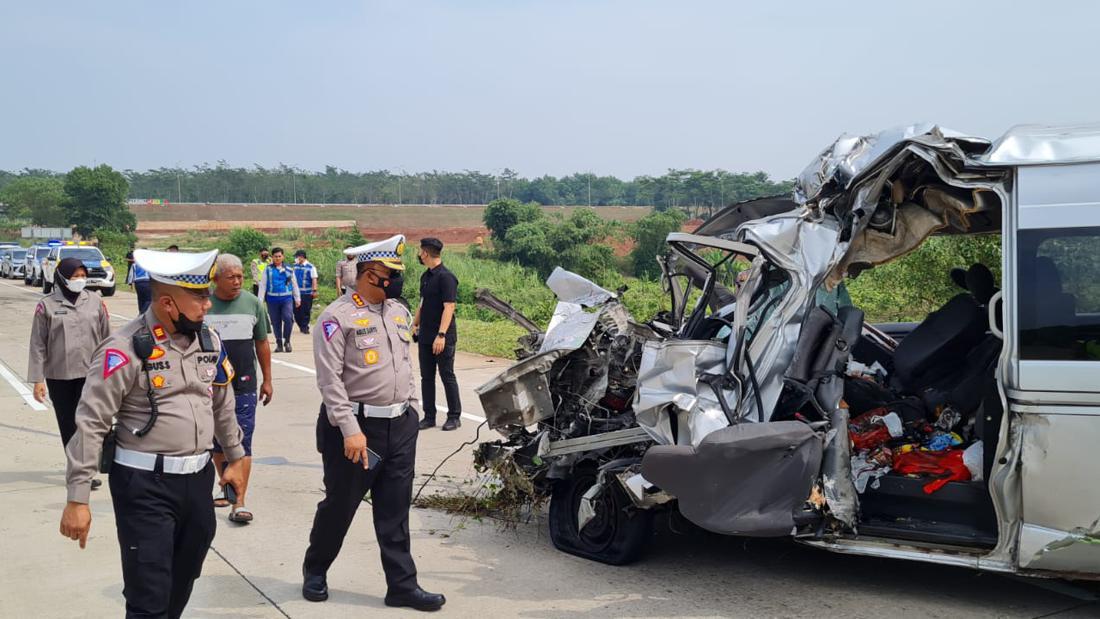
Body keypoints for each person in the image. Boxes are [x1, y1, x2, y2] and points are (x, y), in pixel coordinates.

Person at [59, 248, 246, 618]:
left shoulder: (208, 342)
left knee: (184, 577)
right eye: (199, 297)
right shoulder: (125, 349)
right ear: (166, 303)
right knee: (149, 591)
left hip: (197, 482)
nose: (207, 305)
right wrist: (77, 498)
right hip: (145, 485)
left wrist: (236, 457)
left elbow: (222, 402)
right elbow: (91, 421)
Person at [302, 234, 445, 611]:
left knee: (395, 511)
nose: (396, 280)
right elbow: (329, 381)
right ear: (367, 275)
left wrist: (412, 410)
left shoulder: (397, 311)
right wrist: (350, 430)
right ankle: (315, 570)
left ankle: (402, 586)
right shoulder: (337, 318)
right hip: (355, 429)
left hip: (399, 426)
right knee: (341, 506)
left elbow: (404, 366)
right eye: (389, 274)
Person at [28, 257, 112, 489]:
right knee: (69, 424)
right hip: (60, 375)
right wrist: (38, 379)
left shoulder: (94, 301)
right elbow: (38, 344)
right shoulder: (47, 305)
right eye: (75, 276)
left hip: (92, 374)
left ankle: (87, 466)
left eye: (83, 276)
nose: (79, 280)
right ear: (63, 277)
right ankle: (78, 470)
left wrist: (112, 370)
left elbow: (108, 338)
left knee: (90, 423)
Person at [205, 253, 273, 524]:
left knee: (242, 442)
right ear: (216, 278)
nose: (237, 281)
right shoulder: (204, 304)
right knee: (217, 443)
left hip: (243, 385)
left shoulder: (253, 303)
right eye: (231, 277)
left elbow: (262, 344)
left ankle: (239, 502)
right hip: (208, 386)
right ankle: (226, 487)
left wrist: (267, 379)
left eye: (240, 276)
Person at [412, 237, 462, 431]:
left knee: (447, 375)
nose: (418, 254)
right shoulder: (426, 277)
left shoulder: (446, 277)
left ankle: (454, 416)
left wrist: (441, 335)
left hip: (442, 337)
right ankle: (429, 416)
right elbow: (422, 304)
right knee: (426, 377)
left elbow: (449, 307)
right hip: (425, 335)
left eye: (420, 251)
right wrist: (415, 324)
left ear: (425, 252)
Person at [257, 247, 300, 353]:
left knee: (288, 318)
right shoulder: (268, 269)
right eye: (275, 256)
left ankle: (287, 341)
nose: (277, 258)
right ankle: (279, 343)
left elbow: (294, 284)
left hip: (286, 298)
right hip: (272, 299)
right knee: (275, 322)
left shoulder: (289, 269)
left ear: (283, 257)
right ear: (272, 257)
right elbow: (262, 285)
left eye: (279, 256)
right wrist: (259, 301)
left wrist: (297, 298)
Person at [292, 249, 319, 334]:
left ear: (302, 257)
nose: (296, 259)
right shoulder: (295, 266)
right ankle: (301, 325)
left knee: (305, 310)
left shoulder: (311, 267)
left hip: (306, 293)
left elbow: (314, 279)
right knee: (296, 311)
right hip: (295, 293)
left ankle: (305, 327)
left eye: (297, 257)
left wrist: (314, 291)